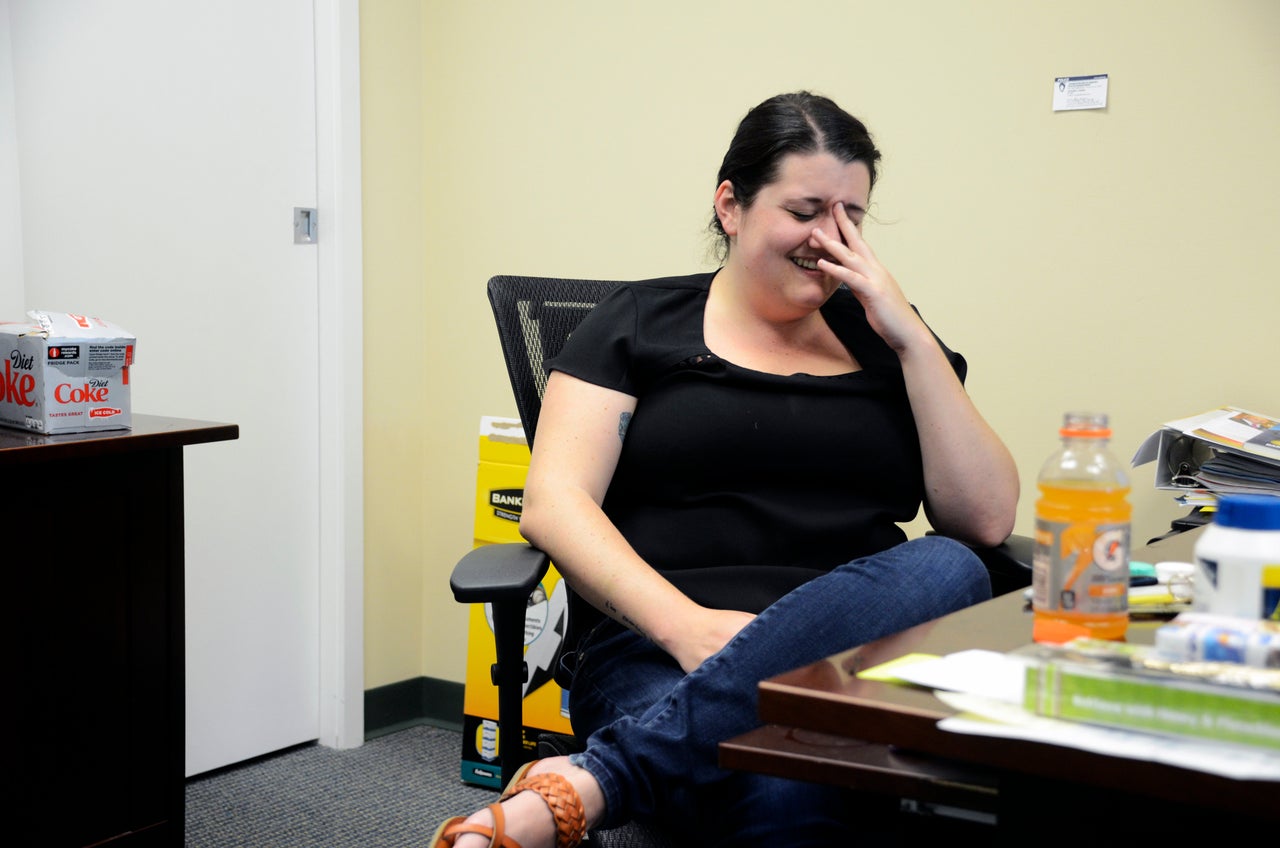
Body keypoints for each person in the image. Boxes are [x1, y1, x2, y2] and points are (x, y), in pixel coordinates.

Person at [433, 91, 1019, 847]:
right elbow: (553, 503)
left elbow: (986, 520)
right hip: (657, 647)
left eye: (851, 217)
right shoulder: (639, 324)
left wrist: (909, 335)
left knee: (947, 564)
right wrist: (688, 628)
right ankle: (617, 771)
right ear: (731, 205)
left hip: (855, 659)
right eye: (805, 209)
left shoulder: (886, 341)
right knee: (779, 778)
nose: (829, 238)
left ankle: (593, 784)